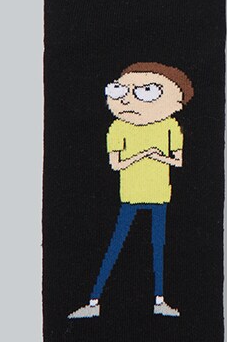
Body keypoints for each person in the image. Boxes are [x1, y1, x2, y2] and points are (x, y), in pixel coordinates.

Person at [68, 62, 194, 319]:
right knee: (116, 245)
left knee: (158, 247)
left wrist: (156, 155)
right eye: (119, 90)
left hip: (159, 193)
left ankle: (159, 301)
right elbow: (116, 164)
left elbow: (178, 161)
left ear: (177, 103)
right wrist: (143, 154)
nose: (127, 100)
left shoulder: (170, 126)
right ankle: (93, 302)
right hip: (130, 194)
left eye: (147, 91)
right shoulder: (118, 127)